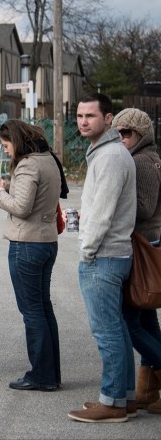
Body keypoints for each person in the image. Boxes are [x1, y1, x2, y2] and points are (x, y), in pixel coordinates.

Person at [67, 93, 137, 423]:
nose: (83, 121)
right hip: (113, 254)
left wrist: (87, 250)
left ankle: (112, 403)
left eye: (91, 115)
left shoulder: (109, 156)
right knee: (117, 330)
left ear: (108, 119)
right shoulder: (107, 153)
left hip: (104, 256)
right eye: (80, 115)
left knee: (107, 332)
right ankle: (124, 397)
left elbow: (103, 213)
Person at [0, 120, 67, 392]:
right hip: (47, 242)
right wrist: (10, 186)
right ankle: (51, 373)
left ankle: (41, 375)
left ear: (17, 141)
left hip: (26, 244)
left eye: (7, 146)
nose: (6, 151)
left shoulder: (28, 164)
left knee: (32, 312)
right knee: (43, 308)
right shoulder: (48, 159)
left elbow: (21, 207)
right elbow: (38, 197)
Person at [112, 107, 161, 413]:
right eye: (117, 133)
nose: (121, 138)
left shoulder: (142, 161)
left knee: (129, 321)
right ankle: (147, 391)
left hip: (142, 244)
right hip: (148, 241)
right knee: (145, 317)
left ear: (141, 135)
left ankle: (151, 378)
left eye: (126, 133)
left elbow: (143, 208)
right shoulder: (147, 157)